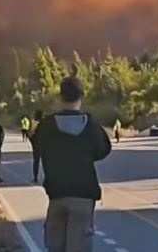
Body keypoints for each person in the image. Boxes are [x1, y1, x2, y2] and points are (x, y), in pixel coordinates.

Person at [35, 77, 111, 252]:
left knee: (55, 246)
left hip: (57, 193)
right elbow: (104, 149)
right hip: (83, 195)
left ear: (61, 97)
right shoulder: (91, 126)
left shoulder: (46, 126)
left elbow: (38, 147)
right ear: (81, 97)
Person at [28, 109, 44, 183]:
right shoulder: (45, 123)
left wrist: (32, 142)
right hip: (45, 147)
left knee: (36, 162)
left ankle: (35, 177)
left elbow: (32, 135)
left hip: (37, 146)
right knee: (46, 163)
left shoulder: (35, 123)